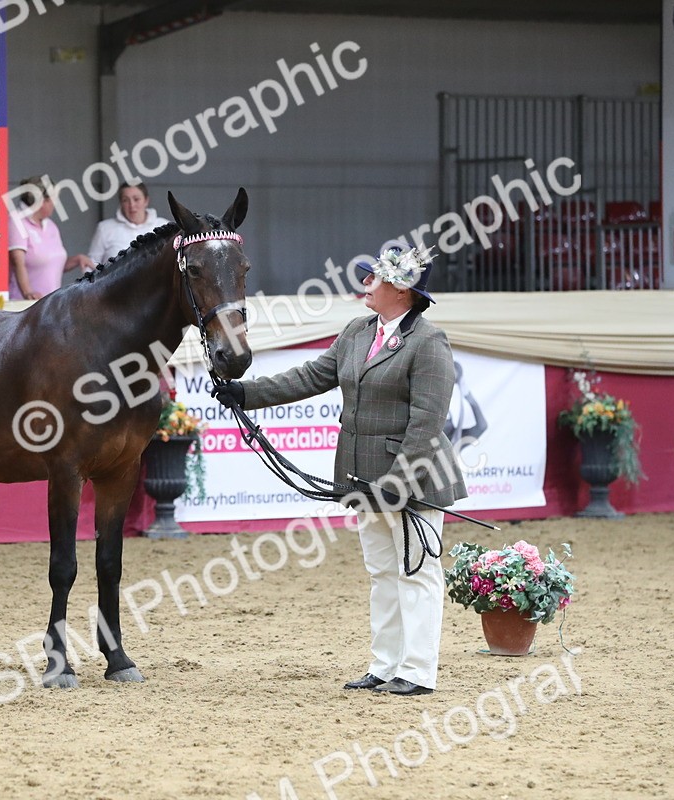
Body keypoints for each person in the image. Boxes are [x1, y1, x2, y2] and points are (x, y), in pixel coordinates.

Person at [211, 240, 467, 697]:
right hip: (361, 473)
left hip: (413, 478)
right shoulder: (357, 331)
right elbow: (310, 376)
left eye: (377, 278)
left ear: (402, 290)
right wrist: (246, 393)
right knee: (383, 572)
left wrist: (400, 483)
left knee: (417, 572)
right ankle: (385, 665)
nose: (366, 282)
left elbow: (427, 422)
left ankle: (418, 670)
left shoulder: (428, 342)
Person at [8, 176, 94, 300]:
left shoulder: (51, 226)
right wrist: (28, 292)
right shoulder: (16, 221)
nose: (55, 203)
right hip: (25, 305)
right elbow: (18, 263)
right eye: (53, 199)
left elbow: (53, 264)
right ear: (42, 201)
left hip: (50, 304)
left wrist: (77, 259)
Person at [86, 182, 168, 266]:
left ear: (146, 200)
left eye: (136, 199)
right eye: (125, 200)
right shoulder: (105, 228)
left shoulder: (164, 226)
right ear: (121, 203)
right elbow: (91, 266)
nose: (132, 205)